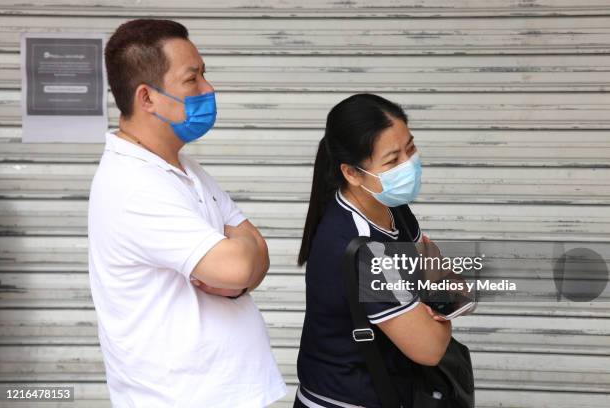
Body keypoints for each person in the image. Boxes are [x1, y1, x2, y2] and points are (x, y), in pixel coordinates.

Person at [88, 19, 286, 407]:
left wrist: (242, 266)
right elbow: (239, 265)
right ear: (147, 98)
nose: (208, 90)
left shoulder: (184, 169)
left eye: (204, 75)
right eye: (192, 79)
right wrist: (241, 265)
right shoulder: (133, 185)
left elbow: (257, 252)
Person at [294, 94, 452, 407]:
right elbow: (430, 348)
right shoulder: (364, 248)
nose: (408, 164)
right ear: (351, 173)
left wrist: (436, 292)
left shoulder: (390, 205)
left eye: (410, 148)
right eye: (392, 160)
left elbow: (432, 259)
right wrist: (447, 300)